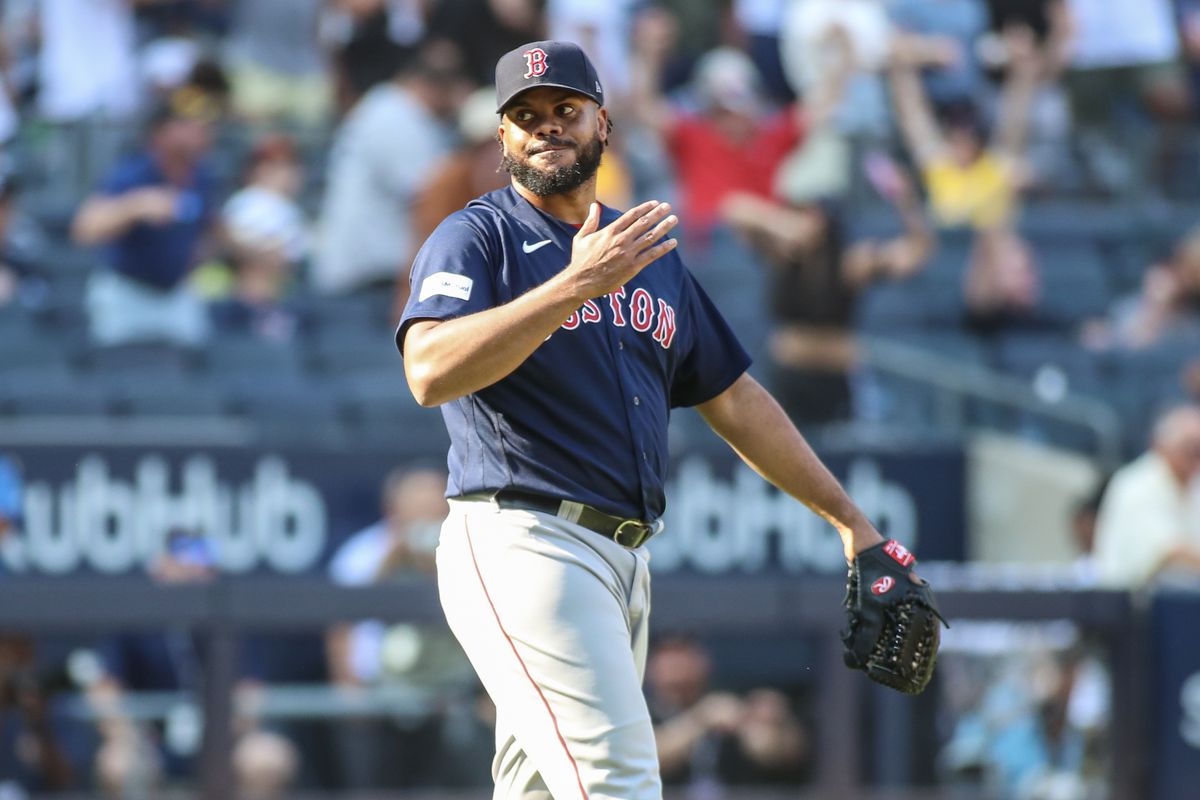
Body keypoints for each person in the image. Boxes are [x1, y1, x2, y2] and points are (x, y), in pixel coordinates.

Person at [397, 40, 914, 797]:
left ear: (603, 125)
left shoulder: (648, 255)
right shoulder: (479, 238)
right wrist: (573, 287)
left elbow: (733, 396)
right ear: (502, 138)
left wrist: (852, 525)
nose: (546, 126)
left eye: (565, 110)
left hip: (621, 563)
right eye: (525, 116)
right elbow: (429, 370)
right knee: (619, 785)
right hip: (525, 542)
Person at [720, 154, 933, 425]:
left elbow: (915, 253)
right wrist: (783, 225)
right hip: (788, 375)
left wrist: (907, 202)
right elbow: (733, 208)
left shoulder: (850, 261)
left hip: (835, 377)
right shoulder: (782, 252)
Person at [325, 468, 476, 788]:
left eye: (434, 511)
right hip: (379, 695)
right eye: (417, 513)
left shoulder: (464, 547)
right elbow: (342, 629)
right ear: (394, 513)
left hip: (451, 692)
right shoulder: (365, 552)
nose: (426, 521)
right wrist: (353, 695)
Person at [311, 40, 468, 295]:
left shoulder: (397, 111)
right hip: (365, 274)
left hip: (373, 271)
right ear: (433, 87)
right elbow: (433, 194)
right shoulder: (395, 115)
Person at [71, 86, 221, 346]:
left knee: (192, 373)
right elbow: (84, 229)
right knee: (118, 373)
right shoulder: (134, 173)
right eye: (186, 123)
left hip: (177, 293)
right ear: (160, 132)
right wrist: (134, 206)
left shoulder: (202, 176)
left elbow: (209, 229)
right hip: (128, 292)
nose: (199, 130)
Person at [646, 635, 809, 790]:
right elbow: (645, 759)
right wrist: (701, 719)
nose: (678, 669)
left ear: (704, 662)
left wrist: (765, 722)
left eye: (684, 656)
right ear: (652, 668)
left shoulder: (732, 699)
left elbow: (777, 752)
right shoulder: (640, 712)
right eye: (669, 661)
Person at [1091, 405, 1200, 588]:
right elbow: (1168, 552)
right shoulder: (1137, 484)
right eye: (1191, 449)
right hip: (1128, 604)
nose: (1196, 458)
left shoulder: (1194, 485)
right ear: (1162, 446)